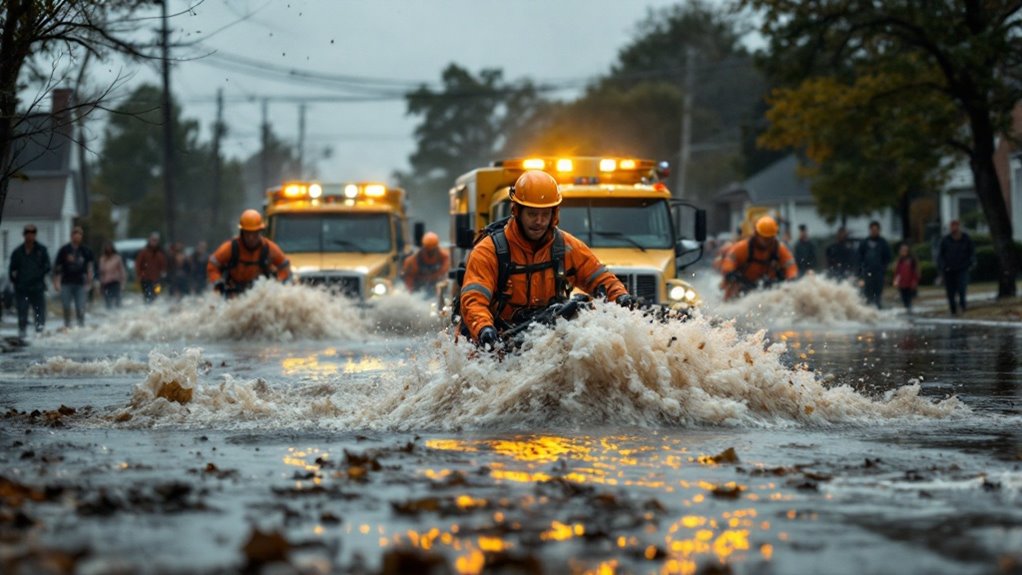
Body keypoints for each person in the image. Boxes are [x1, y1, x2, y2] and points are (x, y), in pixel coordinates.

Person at [459, 170, 632, 348]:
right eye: (532, 214)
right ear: (517, 211)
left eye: (545, 214)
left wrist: (621, 297)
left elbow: (600, 279)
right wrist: (484, 329)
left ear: (554, 215)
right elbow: (474, 300)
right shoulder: (489, 251)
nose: (539, 221)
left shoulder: (566, 246)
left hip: (542, 338)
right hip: (493, 339)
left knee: (580, 311)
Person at [207, 209, 292, 296]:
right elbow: (212, 265)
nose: (251, 238)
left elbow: (284, 266)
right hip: (233, 292)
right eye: (248, 233)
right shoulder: (230, 248)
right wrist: (218, 283)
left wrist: (277, 285)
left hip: (260, 294)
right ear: (242, 232)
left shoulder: (269, 248)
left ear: (260, 232)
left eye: (254, 233)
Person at [718, 215, 798, 301]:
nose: (767, 241)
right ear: (756, 234)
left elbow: (790, 265)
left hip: (767, 286)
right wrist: (729, 272)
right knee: (731, 284)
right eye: (764, 238)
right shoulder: (742, 247)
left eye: (770, 238)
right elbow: (729, 260)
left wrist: (791, 277)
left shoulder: (779, 248)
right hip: (742, 283)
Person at [8, 224, 51, 338]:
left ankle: (39, 333)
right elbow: (12, 269)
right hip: (22, 288)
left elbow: (47, 266)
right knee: (22, 311)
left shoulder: (41, 250)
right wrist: (16, 282)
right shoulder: (18, 252)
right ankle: (22, 334)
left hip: (37, 287)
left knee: (39, 313)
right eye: (28, 233)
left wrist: (38, 275)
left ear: (35, 235)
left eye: (33, 233)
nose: (30, 236)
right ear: (24, 235)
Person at [53, 225, 94, 329]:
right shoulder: (64, 250)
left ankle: (81, 326)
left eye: (80, 235)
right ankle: (67, 325)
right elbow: (58, 267)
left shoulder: (86, 250)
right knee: (66, 306)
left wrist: (90, 279)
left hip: (80, 282)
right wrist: (56, 282)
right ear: (72, 236)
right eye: (76, 235)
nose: (77, 237)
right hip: (66, 282)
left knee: (80, 307)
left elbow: (90, 266)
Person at [937, 219, 975, 315]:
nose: (954, 228)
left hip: (962, 268)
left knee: (962, 288)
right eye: (952, 226)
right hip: (949, 270)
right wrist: (943, 266)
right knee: (950, 291)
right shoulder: (945, 240)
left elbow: (971, 252)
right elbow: (941, 255)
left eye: (956, 226)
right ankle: (953, 308)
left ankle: (963, 306)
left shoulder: (966, 239)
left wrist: (971, 263)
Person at [857, 221, 892, 309]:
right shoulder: (864, 243)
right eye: (872, 229)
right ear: (870, 230)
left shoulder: (883, 243)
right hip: (866, 272)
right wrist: (860, 273)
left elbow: (888, 257)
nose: (874, 231)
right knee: (867, 294)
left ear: (879, 230)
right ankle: (868, 310)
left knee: (878, 294)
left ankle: (877, 309)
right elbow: (859, 258)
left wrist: (884, 270)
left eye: (876, 229)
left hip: (879, 273)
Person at [135, 232, 168, 304]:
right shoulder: (143, 252)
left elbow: (164, 266)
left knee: (157, 293)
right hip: (145, 279)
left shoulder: (161, 253)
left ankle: (153, 307)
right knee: (147, 296)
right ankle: (147, 309)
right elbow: (138, 264)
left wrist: (164, 274)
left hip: (157, 279)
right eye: (153, 240)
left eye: (156, 240)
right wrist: (139, 275)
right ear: (149, 240)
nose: (154, 242)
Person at [98, 240, 127, 309]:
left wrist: (122, 284)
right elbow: (101, 273)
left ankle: (117, 315)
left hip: (115, 283)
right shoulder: (102, 259)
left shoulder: (117, 258)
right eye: (107, 247)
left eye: (110, 247)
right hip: (106, 284)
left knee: (117, 303)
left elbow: (122, 272)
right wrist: (101, 285)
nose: (108, 249)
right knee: (108, 304)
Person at [892, 244, 921, 313]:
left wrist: (914, 281)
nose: (903, 252)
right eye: (902, 251)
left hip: (910, 283)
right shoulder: (899, 261)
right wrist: (896, 280)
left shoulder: (912, 260)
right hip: (902, 283)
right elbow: (897, 272)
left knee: (909, 298)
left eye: (904, 251)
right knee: (903, 298)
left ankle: (909, 309)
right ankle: (907, 309)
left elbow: (916, 272)